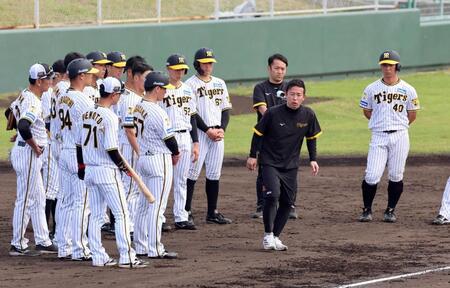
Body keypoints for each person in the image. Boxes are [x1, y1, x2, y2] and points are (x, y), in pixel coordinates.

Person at [76, 77, 147, 268]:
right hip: (106, 171)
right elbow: (112, 149)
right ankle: (127, 257)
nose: (119, 98)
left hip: (90, 170)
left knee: (97, 215)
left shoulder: (85, 113)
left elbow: (78, 144)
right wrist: (126, 169)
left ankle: (98, 257)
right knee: (122, 213)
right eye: (119, 94)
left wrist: (81, 167)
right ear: (114, 94)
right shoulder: (110, 117)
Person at [246, 79, 321, 251]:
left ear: (304, 97)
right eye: (292, 94)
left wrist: (313, 159)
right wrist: (252, 156)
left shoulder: (308, 115)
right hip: (269, 162)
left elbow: (311, 138)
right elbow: (258, 134)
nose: (295, 98)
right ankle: (267, 235)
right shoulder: (272, 113)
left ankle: (276, 236)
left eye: (298, 95)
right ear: (285, 95)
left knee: (288, 203)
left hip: (291, 165)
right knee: (272, 196)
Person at [359, 50, 420, 223]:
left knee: (396, 174)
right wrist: (380, 123)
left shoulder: (408, 89)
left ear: (397, 67)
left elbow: (412, 114)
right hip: (378, 136)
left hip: (400, 136)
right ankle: (367, 209)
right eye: (384, 65)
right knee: (371, 175)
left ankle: (390, 210)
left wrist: (398, 125)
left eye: (390, 65)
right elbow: (367, 111)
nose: (387, 68)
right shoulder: (371, 88)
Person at [9, 63, 57, 256]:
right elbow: (22, 125)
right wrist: (34, 145)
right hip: (27, 154)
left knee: (38, 199)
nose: (51, 81)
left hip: (23, 150)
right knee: (26, 200)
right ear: (39, 81)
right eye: (48, 78)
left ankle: (43, 240)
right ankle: (18, 244)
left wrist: (19, 136)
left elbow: (11, 113)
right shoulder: (34, 102)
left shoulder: (26, 94)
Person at [133, 71, 179, 259]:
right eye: (164, 89)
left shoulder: (137, 106)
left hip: (143, 158)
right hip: (159, 160)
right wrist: (176, 153)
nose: (165, 93)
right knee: (157, 207)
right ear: (157, 88)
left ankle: (141, 245)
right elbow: (169, 140)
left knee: (143, 205)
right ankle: (155, 248)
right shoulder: (158, 112)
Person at [184, 47, 233, 225]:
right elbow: (192, 112)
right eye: (205, 63)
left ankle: (212, 212)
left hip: (217, 134)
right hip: (200, 133)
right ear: (197, 64)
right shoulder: (190, 85)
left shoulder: (220, 83)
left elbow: (226, 109)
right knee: (192, 172)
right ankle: (186, 210)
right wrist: (207, 131)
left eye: (211, 62)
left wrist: (222, 130)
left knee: (214, 173)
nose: (209, 65)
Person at [57, 58, 98, 260]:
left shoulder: (62, 97)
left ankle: (64, 246)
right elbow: (90, 130)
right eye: (89, 73)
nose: (93, 76)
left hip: (64, 150)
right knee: (81, 202)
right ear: (81, 76)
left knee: (65, 201)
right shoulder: (83, 100)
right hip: (78, 152)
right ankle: (80, 249)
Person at [251, 53, 298, 219]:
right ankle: (261, 204)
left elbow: (295, 108)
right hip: (267, 136)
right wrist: (279, 123)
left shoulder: (290, 88)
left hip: (288, 138)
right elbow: (264, 111)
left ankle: (289, 204)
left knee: (290, 170)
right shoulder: (261, 88)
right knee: (264, 171)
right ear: (269, 68)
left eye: (283, 69)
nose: (280, 71)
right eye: (277, 68)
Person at [161, 54, 199, 230]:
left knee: (181, 179)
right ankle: (159, 217)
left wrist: (196, 142)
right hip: (166, 138)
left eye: (182, 69)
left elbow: (192, 117)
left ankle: (181, 216)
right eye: (176, 69)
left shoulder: (187, 89)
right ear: (168, 69)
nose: (180, 72)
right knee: (163, 180)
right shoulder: (161, 89)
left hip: (185, 136)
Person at [115, 60, 152, 237]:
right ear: (135, 77)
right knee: (129, 188)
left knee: (133, 189)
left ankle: (132, 225)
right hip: (129, 148)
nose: (148, 81)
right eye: (146, 78)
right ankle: (128, 227)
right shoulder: (130, 98)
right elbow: (129, 130)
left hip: (129, 146)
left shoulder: (134, 96)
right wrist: (140, 152)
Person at [41, 59, 66, 241]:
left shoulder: (57, 92)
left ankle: (55, 229)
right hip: (49, 144)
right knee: (50, 190)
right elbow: (45, 120)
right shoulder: (48, 93)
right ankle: (47, 230)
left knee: (55, 190)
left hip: (54, 144)